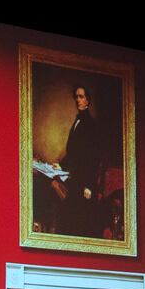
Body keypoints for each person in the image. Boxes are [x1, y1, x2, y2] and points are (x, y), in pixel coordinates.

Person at [38, 84, 112, 237]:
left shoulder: (91, 125)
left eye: (81, 97)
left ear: (88, 101)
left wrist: (88, 185)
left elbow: (92, 158)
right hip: (75, 178)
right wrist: (61, 165)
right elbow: (74, 152)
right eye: (76, 97)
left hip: (84, 182)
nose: (78, 100)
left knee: (79, 222)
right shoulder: (77, 121)